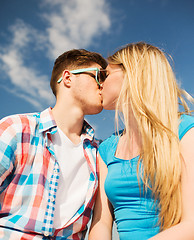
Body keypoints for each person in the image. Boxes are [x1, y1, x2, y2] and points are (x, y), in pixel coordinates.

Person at [89, 42, 194, 240]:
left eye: (105, 74)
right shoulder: (106, 148)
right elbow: (101, 222)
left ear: (133, 73)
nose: (99, 83)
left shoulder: (185, 131)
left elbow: (192, 224)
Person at [0, 49, 107, 239]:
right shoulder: (17, 129)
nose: (104, 86)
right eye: (99, 76)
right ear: (68, 78)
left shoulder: (100, 153)